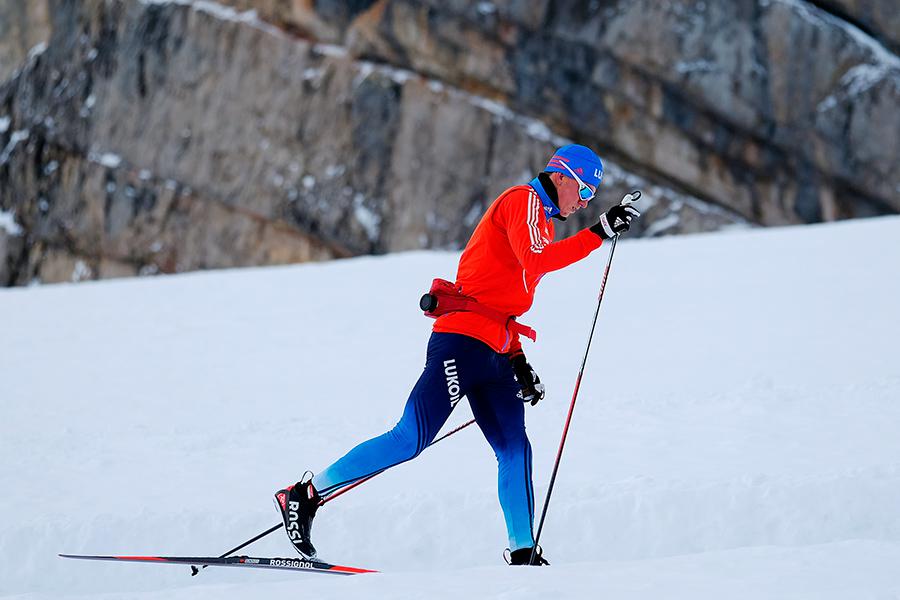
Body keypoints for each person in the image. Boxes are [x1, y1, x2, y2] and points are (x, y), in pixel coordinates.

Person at [274, 144, 640, 566]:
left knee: (516, 448)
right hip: (462, 343)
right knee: (409, 439)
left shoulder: (542, 222)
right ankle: (304, 495)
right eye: (584, 191)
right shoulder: (521, 201)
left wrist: (518, 360)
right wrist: (599, 231)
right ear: (560, 176)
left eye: (591, 197)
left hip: (496, 353)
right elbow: (535, 262)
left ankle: (524, 553)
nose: (584, 203)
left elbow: (500, 303)